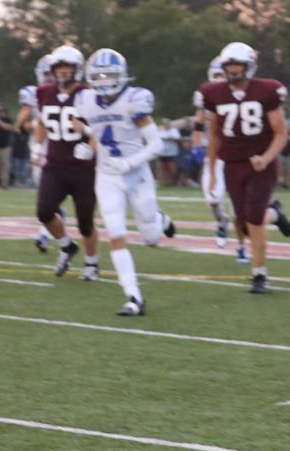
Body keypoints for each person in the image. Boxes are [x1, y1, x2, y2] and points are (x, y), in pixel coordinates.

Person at [74, 48, 177, 316]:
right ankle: (133, 297)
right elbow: (98, 132)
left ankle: (159, 220)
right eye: (99, 75)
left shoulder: (135, 100)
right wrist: (87, 146)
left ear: (122, 76)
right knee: (115, 233)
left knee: (151, 238)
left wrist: (130, 163)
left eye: (110, 75)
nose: (105, 80)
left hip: (137, 173)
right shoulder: (86, 100)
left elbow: (156, 144)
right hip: (106, 176)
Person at [194, 42, 290, 294]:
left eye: (238, 65)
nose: (233, 71)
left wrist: (267, 157)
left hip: (261, 163)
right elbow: (215, 134)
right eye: (230, 66)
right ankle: (276, 214)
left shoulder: (267, 90)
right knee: (244, 222)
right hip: (232, 164)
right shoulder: (213, 93)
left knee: (252, 216)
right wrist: (213, 169)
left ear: (249, 67)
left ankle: (259, 275)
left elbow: (281, 132)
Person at [32, 45, 100, 280]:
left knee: (85, 222)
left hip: (83, 168)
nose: (62, 71)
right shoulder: (44, 93)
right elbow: (41, 123)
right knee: (44, 211)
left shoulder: (88, 94)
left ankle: (92, 263)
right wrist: (38, 148)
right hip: (55, 165)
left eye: (67, 67)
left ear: (77, 69)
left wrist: (90, 148)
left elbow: (101, 129)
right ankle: (67, 246)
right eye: (58, 67)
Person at [192, 57, 242, 257]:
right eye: (217, 76)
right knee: (212, 198)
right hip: (215, 154)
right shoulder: (206, 96)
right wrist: (196, 145)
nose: (220, 79)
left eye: (223, 75)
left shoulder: (241, 94)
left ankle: (241, 247)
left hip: (238, 153)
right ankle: (221, 220)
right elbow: (199, 121)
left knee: (239, 203)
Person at [16, 55, 58, 251]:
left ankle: (44, 233)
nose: (50, 78)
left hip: (62, 147)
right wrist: (35, 125)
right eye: (47, 74)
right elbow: (21, 123)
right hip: (40, 147)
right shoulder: (32, 93)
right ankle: (52, 222)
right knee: (43, 192)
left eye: (53, 73)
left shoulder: (69, 93)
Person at [156, 119, 181, 186]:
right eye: (165, 124)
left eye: (167, 124)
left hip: (171, 152)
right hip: (162, 152)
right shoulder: (160, 131)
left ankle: (174, 181)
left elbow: (177, 138)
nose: (166, 125)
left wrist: (170, 138)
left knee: (171, 167)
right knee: (163, 167)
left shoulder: (174, 131)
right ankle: (166, 182)